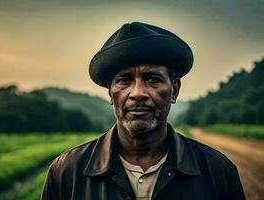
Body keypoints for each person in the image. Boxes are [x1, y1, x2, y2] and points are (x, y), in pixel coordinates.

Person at [41, 22, 246, 200]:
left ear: (174, 91)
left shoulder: (219, 171)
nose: (138, 93)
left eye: (153, 79)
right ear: (111, 94)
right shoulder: (66, 173)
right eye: (124, 80)